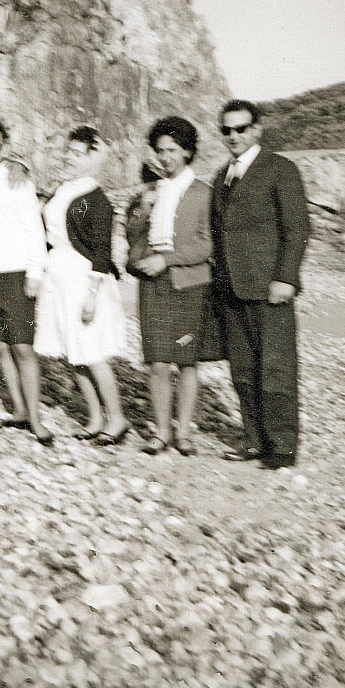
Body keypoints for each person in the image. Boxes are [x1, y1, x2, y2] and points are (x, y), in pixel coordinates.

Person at [210, 99, 309, 468]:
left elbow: (297, 228)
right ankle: (253, 440)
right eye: (226, 130)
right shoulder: (221, 176)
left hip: (270, 288)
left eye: (241, 128)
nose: (233, 136)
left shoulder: (280, 169)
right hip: (231, 289)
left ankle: (281, 447)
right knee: (242, 370)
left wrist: (286, 277)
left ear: (256, 129)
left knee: (276, 367)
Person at [33, 126, 130, 445]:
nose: (69, 158)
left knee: (92, 351)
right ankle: (95, 418)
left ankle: (117, 418)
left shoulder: (96, 198)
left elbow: (102, 252)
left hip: (84, 278)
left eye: (78, 153)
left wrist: (91, 295)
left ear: (92, 158)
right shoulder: (64, 188)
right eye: (69, 151)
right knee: (73, 351)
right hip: (58, 274)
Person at [126, 117, 213, 456]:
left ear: (187, 152)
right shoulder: (150, 191)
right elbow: (132, 238)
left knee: (186, 361)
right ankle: (162, 432)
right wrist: (142, 212)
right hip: (153, 284)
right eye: (160, 151)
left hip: (190, 285)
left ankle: (184, 433)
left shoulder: (203, 193)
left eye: (172, 150)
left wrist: (167, 259)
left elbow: (207, 245)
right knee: (158, 362)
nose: (165, 158)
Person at [0, 118, 53, 444]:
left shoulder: (17, 179)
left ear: (3, 148)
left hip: (14, 270)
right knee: (1, 345)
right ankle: (18, 410)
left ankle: (36, 419)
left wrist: (35, 271)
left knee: (23, 346)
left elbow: (34, 227)